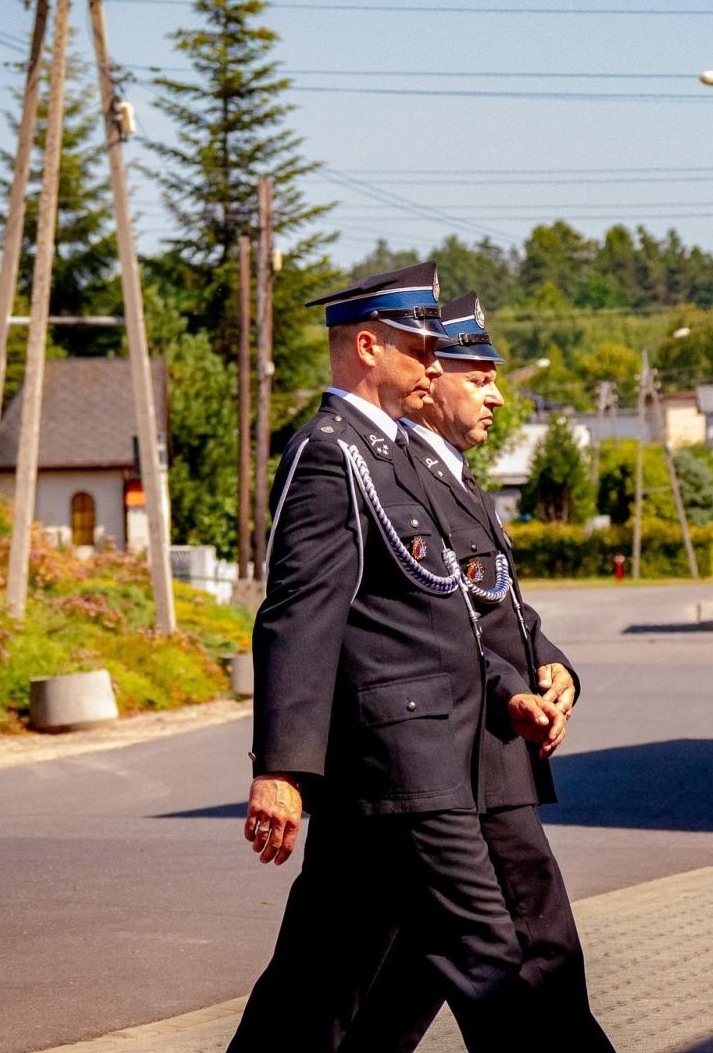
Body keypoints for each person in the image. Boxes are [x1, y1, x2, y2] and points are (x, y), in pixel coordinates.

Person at [229, 263, 568, 1053]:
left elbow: (440, 616)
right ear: (369, 347)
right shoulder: (328, 452)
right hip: (402, 756)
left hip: (423, 757)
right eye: (419, 348)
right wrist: (281, 767)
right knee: (492, 964)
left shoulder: (397, 458)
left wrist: (506, 686)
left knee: (318, 987)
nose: (431, 365)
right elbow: (298, 616)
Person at [350, 293, 612, 1051]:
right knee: (538, 959)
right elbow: (436, 630)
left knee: (396, 975)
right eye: (479, 375)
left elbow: (500, 611)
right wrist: (512, 689)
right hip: (463, 757)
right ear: (431, 384)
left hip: (472, 757)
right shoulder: (407, 479)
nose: (496, 393)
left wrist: (554, 665)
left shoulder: (454, 476)